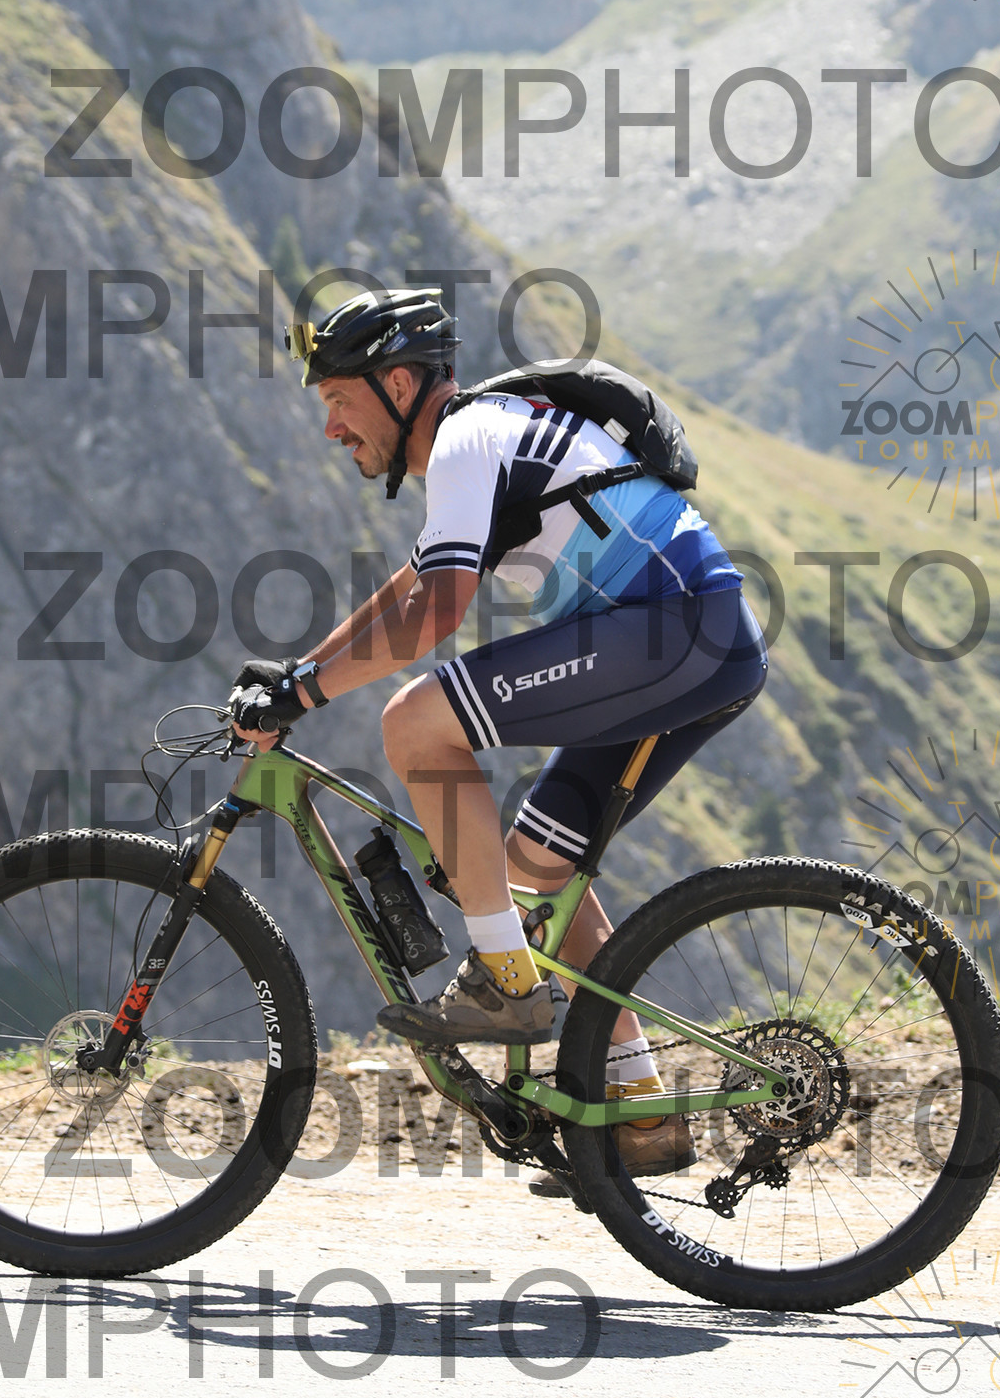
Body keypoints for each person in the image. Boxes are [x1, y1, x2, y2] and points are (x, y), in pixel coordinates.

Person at [230, 289, 768, 1177]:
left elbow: (434, 616)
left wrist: (308, 696)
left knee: (414, 723)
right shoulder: (481, 443)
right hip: (694, 641)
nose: (331, 428)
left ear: (399, 384)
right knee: (535, 873)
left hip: (671, 630)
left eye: (339, 400)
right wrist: (296, 676)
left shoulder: (466, 438)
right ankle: (641, 1112)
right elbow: (408, 587)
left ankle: (507, 984)